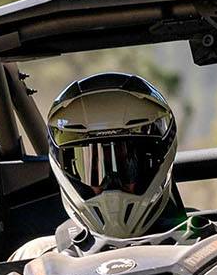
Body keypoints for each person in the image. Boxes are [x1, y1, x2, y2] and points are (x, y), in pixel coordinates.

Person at [21, 71, 189, 255]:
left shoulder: (204, 245)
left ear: (156, 162)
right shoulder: (37, 256)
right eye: (94, 170)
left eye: (127, 166)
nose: (111, 185)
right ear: (69, 172)